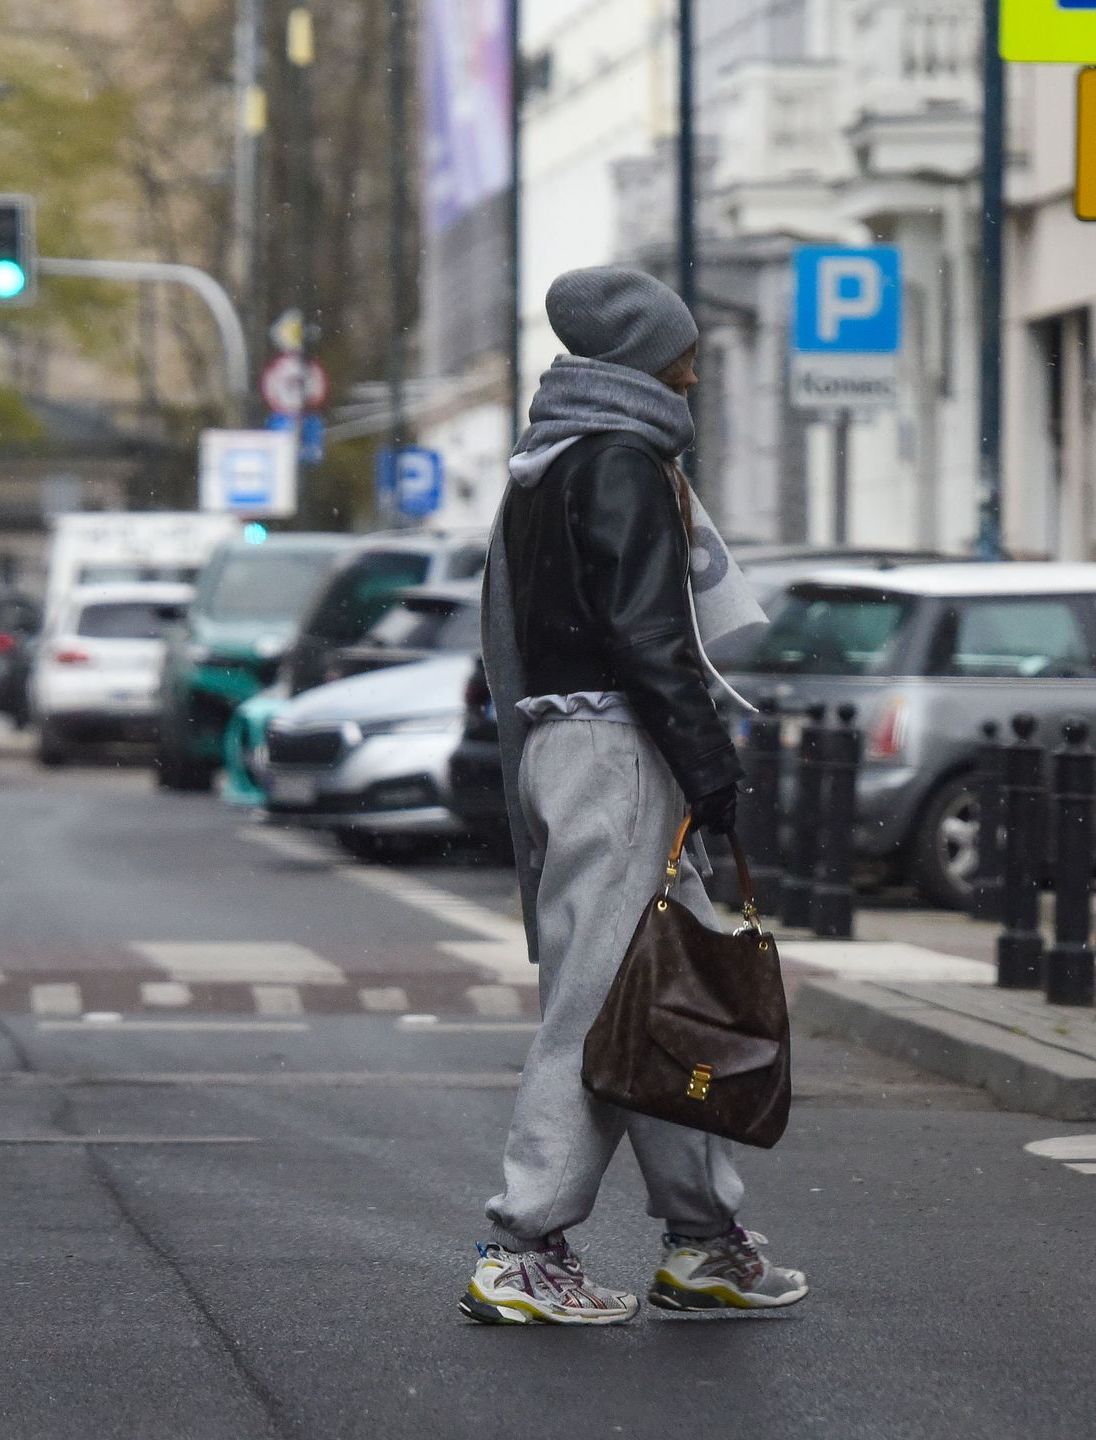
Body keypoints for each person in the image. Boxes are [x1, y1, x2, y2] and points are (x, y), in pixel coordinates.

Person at [464, 266, 810, 1326]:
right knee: (603, 1007)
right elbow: (647, 635)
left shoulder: (557, 460)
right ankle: (521, 1244)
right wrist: (710, 763)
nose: (697, 371)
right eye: (684, 352)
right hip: (615, 751)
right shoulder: (617, 462)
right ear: (644, 360)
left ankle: (703, 1242)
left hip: (594, 746)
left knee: (670, 998)